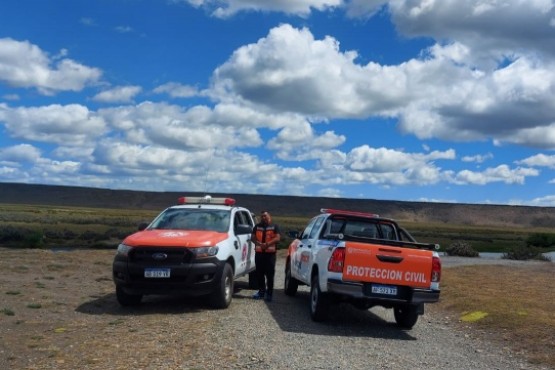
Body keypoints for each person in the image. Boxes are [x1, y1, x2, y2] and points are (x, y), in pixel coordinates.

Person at [251, 211, 281, 302]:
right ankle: (261, 292)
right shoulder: (257, 227)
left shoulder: (275, 226)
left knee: (270, 275)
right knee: (259, 274)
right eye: (262, 216)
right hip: (259, 254)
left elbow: (277, 238)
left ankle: (269, 294)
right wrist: (259, 243)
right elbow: (252, 237)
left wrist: (267, 244)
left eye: (265, 216)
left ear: (269, 216)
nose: (263, 218)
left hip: (270, 255)